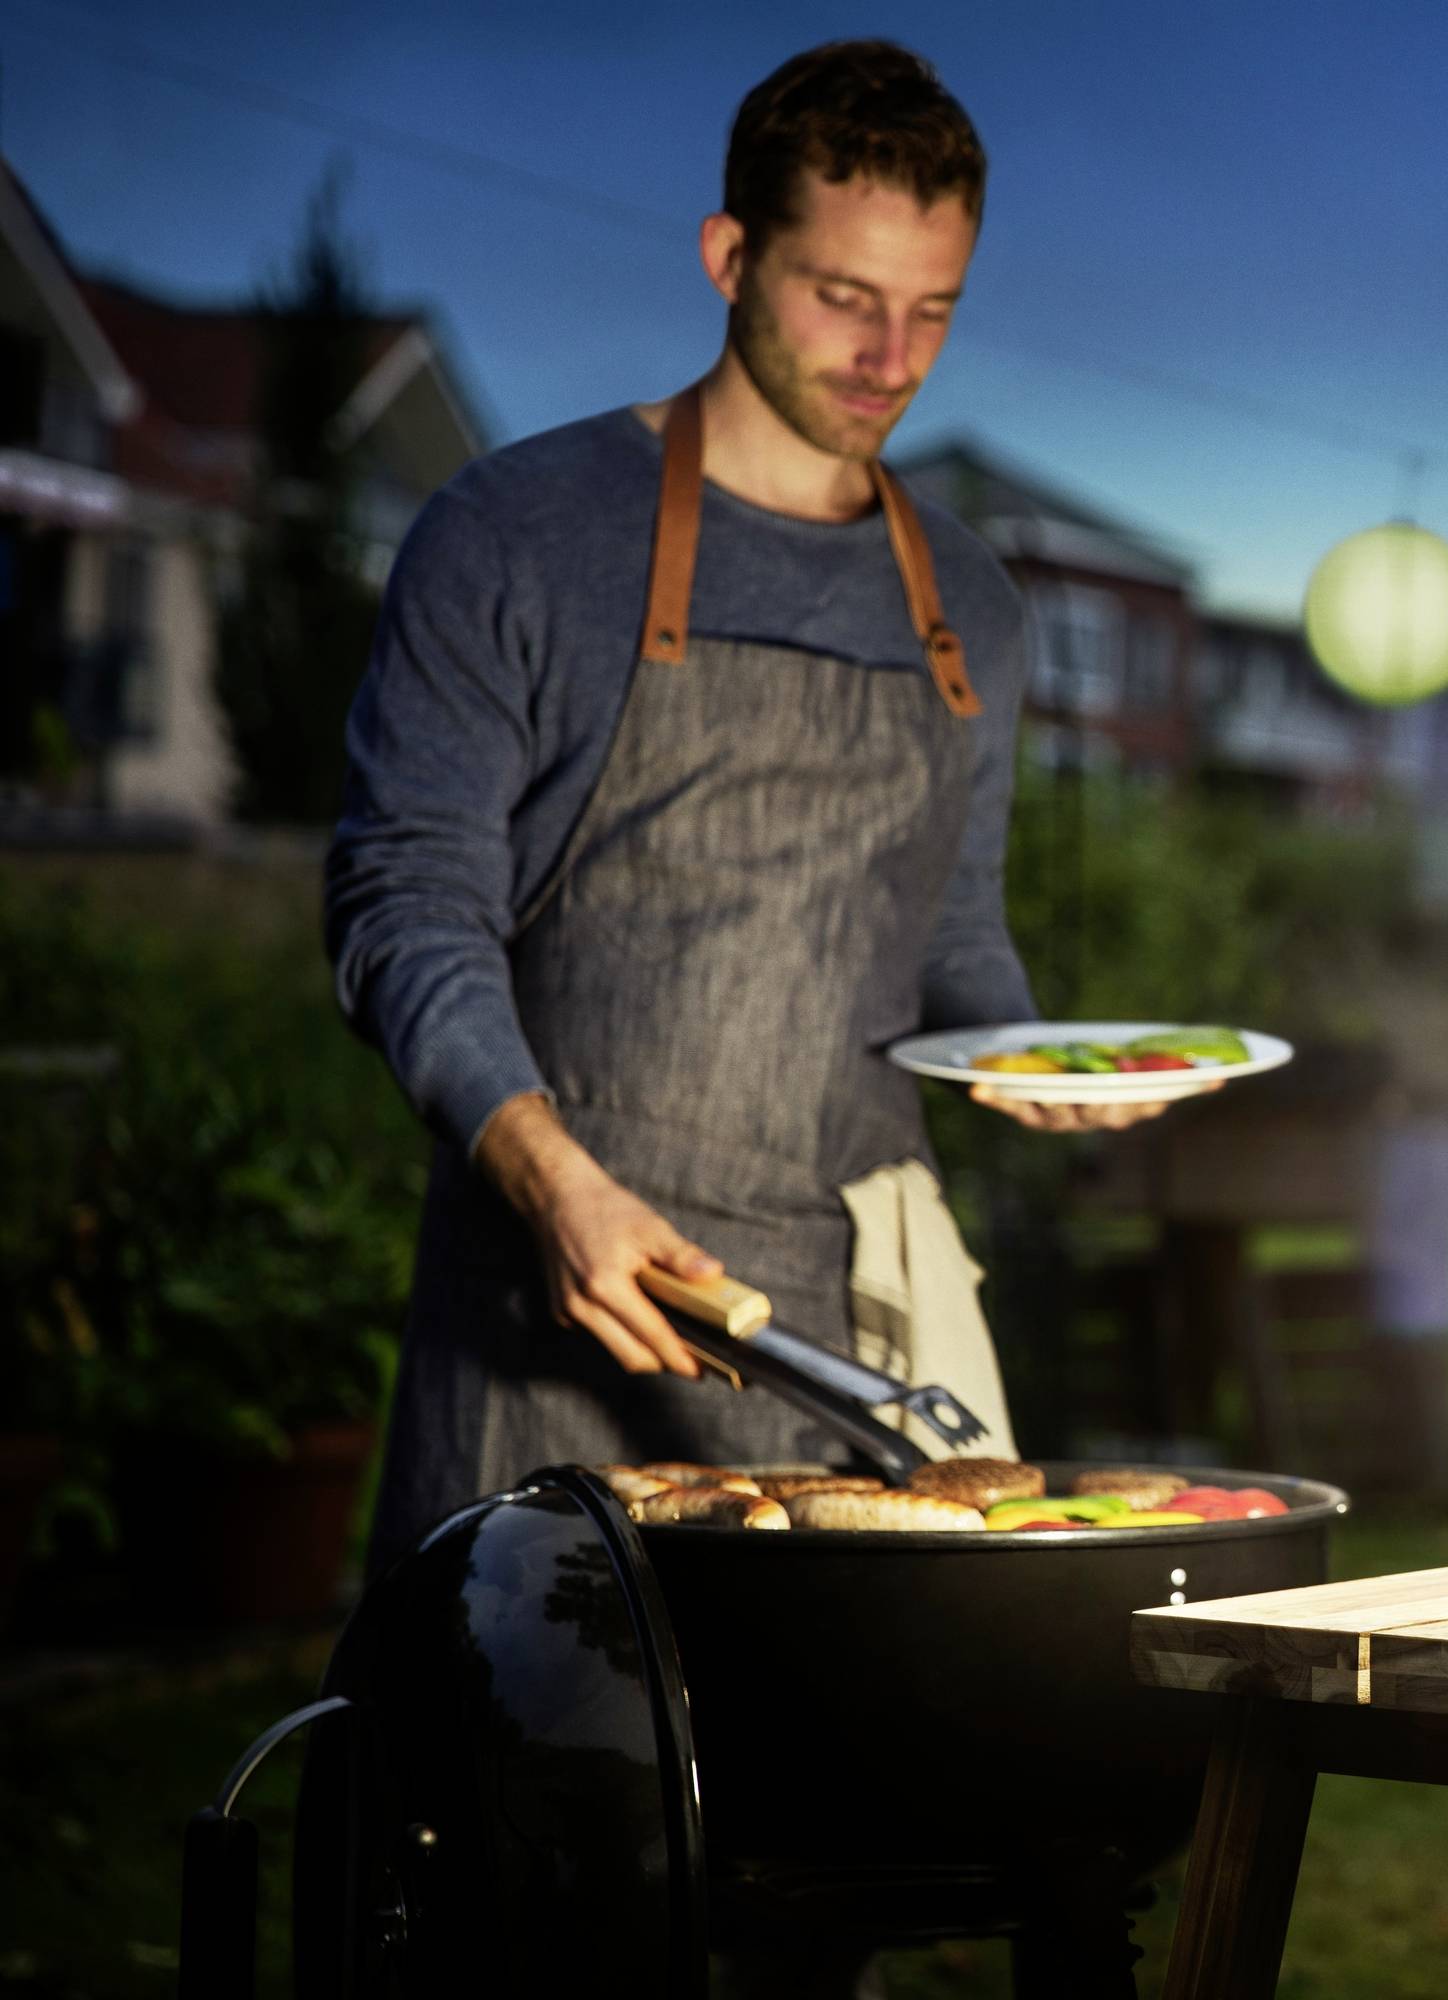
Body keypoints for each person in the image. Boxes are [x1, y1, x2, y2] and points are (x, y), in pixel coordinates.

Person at [328, 43, 1177, 1573]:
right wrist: (548, 1177)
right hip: (559, 1280)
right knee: (513, 1767)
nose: (890, 356)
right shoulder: (516, 533)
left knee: (837, 1793)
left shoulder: (968, 605)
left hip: (841, 1334)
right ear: (729, 257)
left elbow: (955, 932)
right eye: (845, 295)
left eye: (933, 311)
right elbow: (402, 908)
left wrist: (1035, 1057)